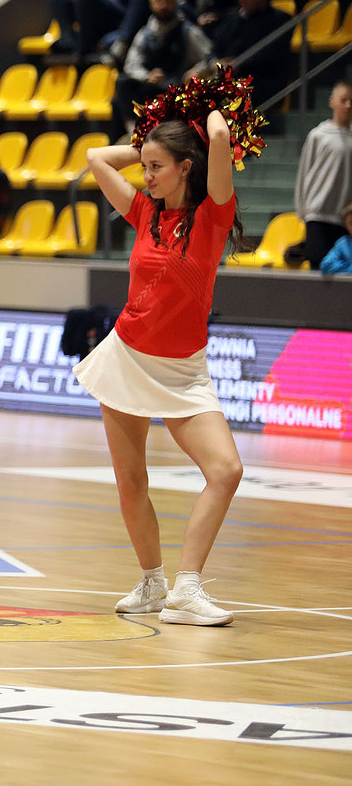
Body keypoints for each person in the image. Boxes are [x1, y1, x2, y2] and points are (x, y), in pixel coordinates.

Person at [77, 105, 250, 626]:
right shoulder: (144, 213)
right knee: (131, 482)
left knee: (226, 470)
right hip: (127, 357)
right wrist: (149, 147)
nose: (146, 176)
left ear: (186, 167)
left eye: (157, 167)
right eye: (145, 167)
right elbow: (95, 157)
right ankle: (153, 583)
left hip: (184, 371)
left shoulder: (214, 215)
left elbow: (218, 135)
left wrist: (204, 110)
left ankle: (187, 589)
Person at [113, 0, 213, 128]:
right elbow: (131, 64)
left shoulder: (188, 31)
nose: (164, 6)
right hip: (154, 86)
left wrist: (197, 70)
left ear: (175, 4)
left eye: (168, 1)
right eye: (159, 1)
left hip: (178, 85)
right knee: (122, 84)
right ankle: (135, 131)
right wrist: (147, 76)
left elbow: (210, 56)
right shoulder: (145, 33)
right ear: (152, 5)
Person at [192, 0, 293, 103]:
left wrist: (238, 64)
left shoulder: (280, 20)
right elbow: (215, 48)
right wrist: (214, 63)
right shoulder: (231, 18)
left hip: (259, 82)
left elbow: (270, 56)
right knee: (190, 85)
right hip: (225, 78)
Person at [294, 80, 352, 269]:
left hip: (344, 219)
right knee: (317, 266)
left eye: (351, 101)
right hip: (318, 215)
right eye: (343, 100)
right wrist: (303, 210)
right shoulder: (318, 135)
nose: (348, 105)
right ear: (332, 101)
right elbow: (305, 172)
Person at [316, 200, 352, 276]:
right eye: (351, 223)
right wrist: (349, 268)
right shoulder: (343, 243)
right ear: (346, 225)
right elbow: (326, 266)